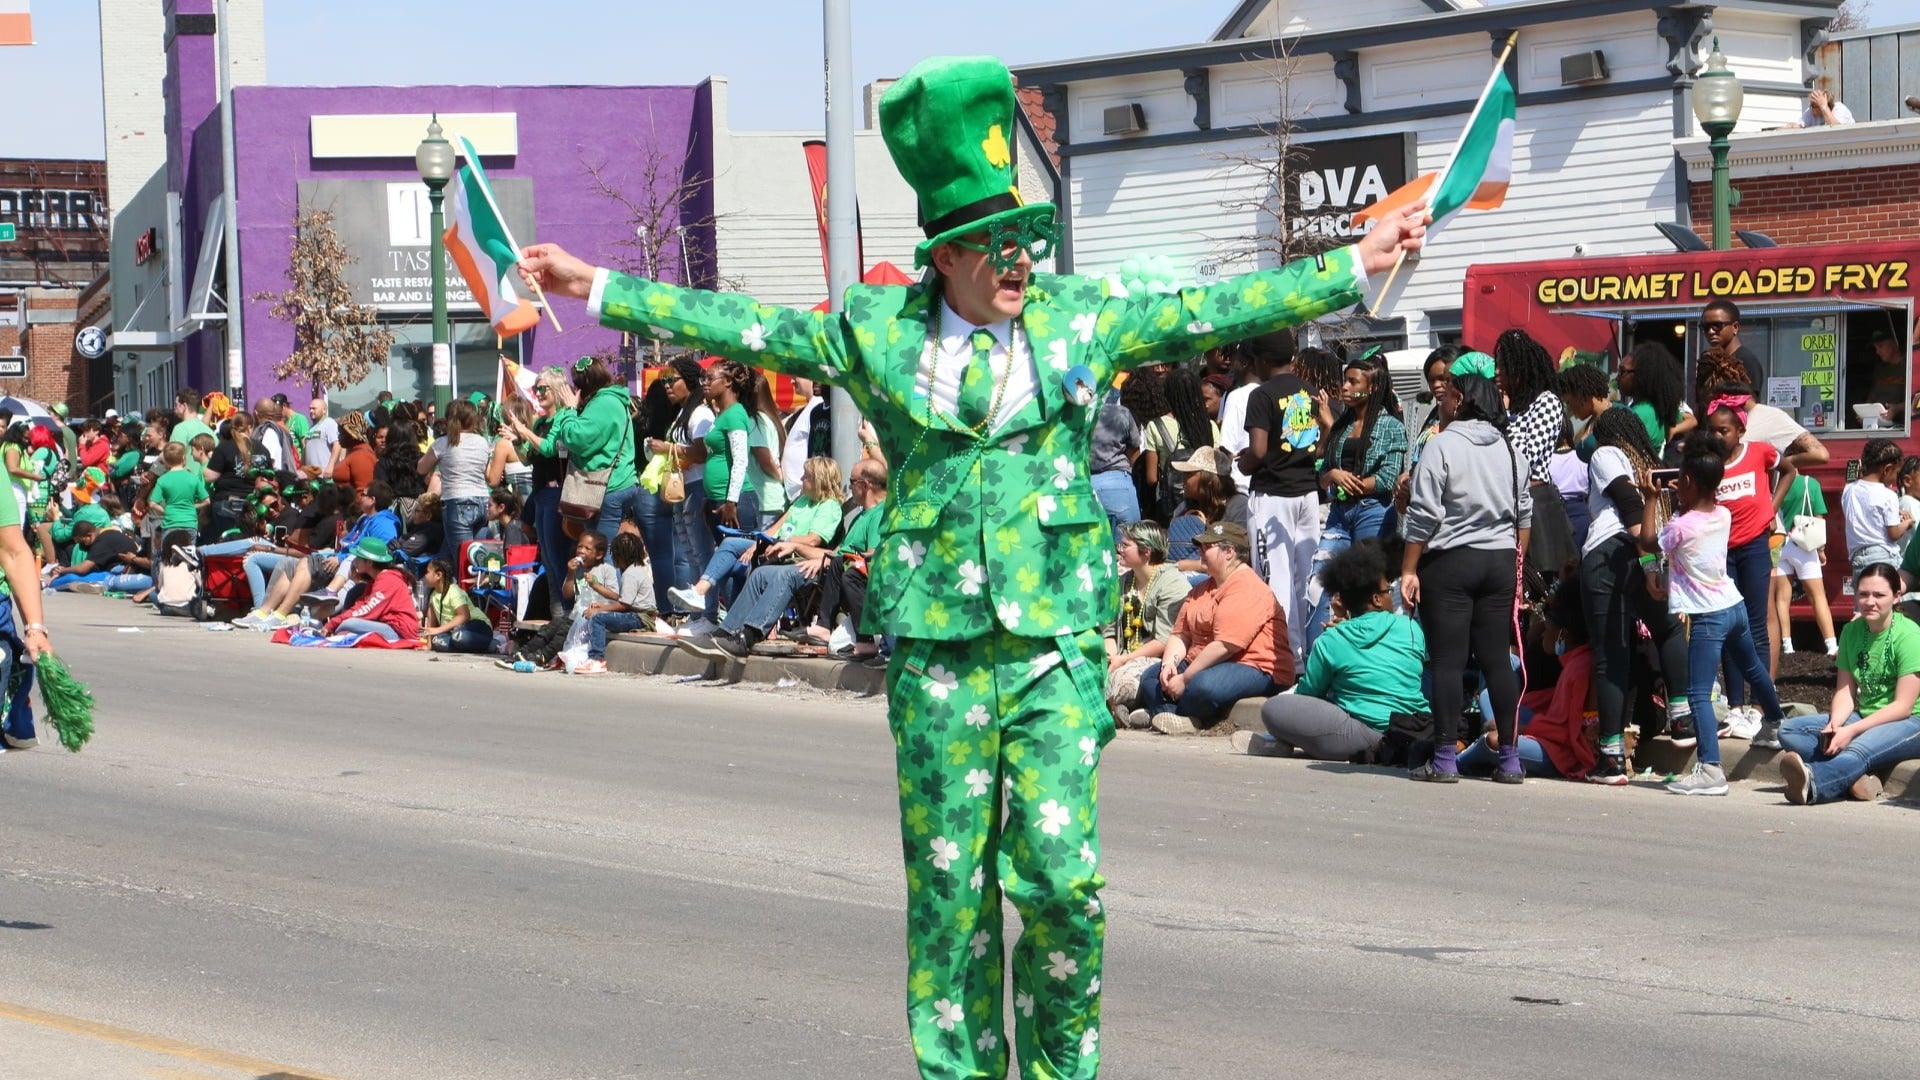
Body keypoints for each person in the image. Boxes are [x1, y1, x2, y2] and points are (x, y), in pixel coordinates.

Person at [514, 54, 1426, 1078]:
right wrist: (595, 284)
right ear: (944, 256)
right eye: (993, 244)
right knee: (950, 893)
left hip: (1052, 643)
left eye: (1024, 238)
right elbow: (751, 324)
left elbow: (1208, 309)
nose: (1017, 258)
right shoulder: (877, 330)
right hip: (939, 646)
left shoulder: (1079, 318)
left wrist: (1353, 263)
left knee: (1061, 885)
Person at [1399, 372, 1531, 783]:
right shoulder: (1511, 450)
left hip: (1450, 562)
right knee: (1496, 660)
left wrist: (1408, 568)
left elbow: (1424, 514)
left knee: (1448, 663)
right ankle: (1509, 761)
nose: (1439, 403)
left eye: (1444, 397)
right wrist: (1518, 565)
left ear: (1460, 399)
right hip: (1499, 562)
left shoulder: (1443, 446)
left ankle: (1444, 760)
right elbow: (1524, 512)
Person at [1636, 443, 1787, 795]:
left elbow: (1646, 540)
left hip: (1708, 617)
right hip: (1733, 606)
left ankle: (1710, 770)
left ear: (1686, 480)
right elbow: (1691, 521)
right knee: (1753, 669)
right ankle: (1775, 723)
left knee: (1697, 694)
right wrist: (1683, 494)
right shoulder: (1722, 514)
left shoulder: (1680, 527)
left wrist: (1650, 498)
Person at [1576, 408, 1699, 781]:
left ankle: (1611, 758)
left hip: (1611, 555)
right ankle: (1681, 719)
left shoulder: (1606, 454)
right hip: (1646, 552)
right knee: (1669, 629)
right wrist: (1652, 565)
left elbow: (1628, 505)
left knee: (1611, 657)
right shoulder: (1648, 461)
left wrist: (1646, 565)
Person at [1255, 539, 1426, 762]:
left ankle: (1282, 741)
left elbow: (1310, 693)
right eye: (1388, 590)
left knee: (1273, 708)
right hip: (1415, 726)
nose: (1390, 594)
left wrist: (1341, 623)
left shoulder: (1331, 640)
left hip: (1364, 733)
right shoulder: (1410, 627)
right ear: (1376, 599)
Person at [1777, 564, 1920, 805]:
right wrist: (1836, 723)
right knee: (1790, 730)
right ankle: (1855, 778)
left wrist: (1852, 731)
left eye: (1879, 595)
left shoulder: (1910, 636)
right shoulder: (1852, 631)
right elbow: (1845, 691)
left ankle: (1814, 784)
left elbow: (1903, 707)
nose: (1870, 601)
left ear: (1896, 597)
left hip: (1910, 721)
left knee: (1858, 748)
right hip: (1865, 714)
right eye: (1863, 594)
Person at [1133, 521, 1292, 735]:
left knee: (1201, 686)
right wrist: (1170, 664)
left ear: (1229, 552)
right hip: (1205, 662)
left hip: (1254, 665)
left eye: (1207, 547)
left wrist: (1184, 678)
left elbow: (1225, 646)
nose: (1200, 551)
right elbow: (1180, 634)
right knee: (1152, 677)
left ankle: (1167, 714)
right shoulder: (1201, 588)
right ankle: (1175, 717)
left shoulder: (1247, 587)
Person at [1304, 351, 1406, 648]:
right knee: (1319, 582)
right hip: (1339, 513)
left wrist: (1353, 482)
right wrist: (1333, 474)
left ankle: (1367, 654)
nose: (1345, 387)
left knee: (1366, 587)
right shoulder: (1341, 425)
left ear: (1372, 387)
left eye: (1352, 382)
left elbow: (1389, 478)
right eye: (1344, 381)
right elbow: (1320, 471)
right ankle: (1317, 659)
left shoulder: (1391, 426)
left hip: (1374, 512)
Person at [667, 455, 846, 619]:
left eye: (806, 477)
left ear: (819, 481)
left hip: (793, 554)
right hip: (775, 545)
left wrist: (779, 542)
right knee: (732, 554)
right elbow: (775, 528)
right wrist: (759, 543)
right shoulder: (802, 501)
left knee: (735, 556)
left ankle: (714, 605)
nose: (801, 480)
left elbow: (813, 540)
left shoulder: (829, 506)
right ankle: (709, 599)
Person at [1237, 329, 1323, 658]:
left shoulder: (1261, 395)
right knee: (1304, 577)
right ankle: (1304, 655)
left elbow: (1257, 451)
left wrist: (1243, 464)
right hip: (1306, 493)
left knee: (1274, 580)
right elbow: (1311, 446)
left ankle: (1282, 658)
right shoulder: (1309, 391)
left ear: (1261, 360)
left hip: (1273, 496)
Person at [518, 358, 637, 548]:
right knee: (599, 551)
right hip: (608, 484)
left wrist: (570, 410)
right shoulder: (610, 401)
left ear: (585, 383)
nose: (575, 389)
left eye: (577, 384)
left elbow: (575, 439)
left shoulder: (603, 403)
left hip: (606, 486)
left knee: (598, 553)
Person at [1104, 520, 1189, 726]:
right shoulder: (1124, 581)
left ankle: (1125, 710)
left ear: (1147, 551)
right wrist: (1111, 657)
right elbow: (1108, 631)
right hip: (1123, 658)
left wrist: (1124, 660)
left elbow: (1164, 639)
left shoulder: (1172, 583)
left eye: (1125, 545)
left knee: (1121, 682)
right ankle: (1126, 710)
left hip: (1156, 660)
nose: (1120, 549)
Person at [645, 357, 715, 604]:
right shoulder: (683, 413)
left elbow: (701, 452)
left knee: (701, 552)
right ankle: (698, 613)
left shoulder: (700, 413)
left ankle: (708, 612)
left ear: (690, 381)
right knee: (690, 552)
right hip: (683, 490)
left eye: (671, 380)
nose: (666, 385)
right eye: (663, 380)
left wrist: (667, 448)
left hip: (697, 489)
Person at [503, 530, 617, 670]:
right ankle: (522, 653)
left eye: (587, 549)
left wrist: (596, 585)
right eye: (580, 546)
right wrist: (570, 574)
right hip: (575, 615)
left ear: (598, 554)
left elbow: (614, 595)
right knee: (549, 628)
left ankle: (542, 656)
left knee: (563, 632)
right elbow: (567, 594)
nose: (581, 551)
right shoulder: (578, 570)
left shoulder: (607, 570)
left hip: (592, 617)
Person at [1772, 468, 1839, 671]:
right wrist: (1821, 550)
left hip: (1780, 542)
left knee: (1782, 598)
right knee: (1817, 597)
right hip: (1804, 545)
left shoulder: (1775, 483)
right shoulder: (1811, 483)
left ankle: (1787, 645)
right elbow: (1819, 519)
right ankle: (1831, 645)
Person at [575, 531, 657, 675]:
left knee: (597, 619)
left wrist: (599, 611)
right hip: (637, 614)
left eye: (613, 554)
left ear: (620, 557)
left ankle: (596, 660)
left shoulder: (629, 575)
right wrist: (598, 590)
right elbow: (622, 598)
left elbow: (624, 605)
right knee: (601, 616)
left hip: (640, 618)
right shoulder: (636, 570)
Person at [1140, 368, 1215, 524]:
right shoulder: (1209, 425)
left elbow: (1152, 478)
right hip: (1205, 503)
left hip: (1170, 508)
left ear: (1168, 393)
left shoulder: (1155, 426)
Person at [421, 400, 494, 557]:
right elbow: (487, 473)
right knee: (479, 557)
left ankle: (461, 581)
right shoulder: (482, 442)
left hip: (457, 502)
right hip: (483, 501)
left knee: (464, 560)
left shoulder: (442, 443)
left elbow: (421, 468)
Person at [317, 538, 419, 643]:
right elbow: (360, 605)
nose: (355, 561)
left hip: (400, 632)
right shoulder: (376, 580)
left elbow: (367, 610)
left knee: (348, 624)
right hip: (388, 626)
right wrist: (335, 623)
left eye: (358, 558)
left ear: (369, 562)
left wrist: (333, 623)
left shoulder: (388, 579)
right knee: (345, 625)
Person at [1165, 448, 1247, 571]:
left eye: (1189, 474)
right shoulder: (1184, 508)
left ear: (1208, 480)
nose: (1183, 480)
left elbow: (1239, 557)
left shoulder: (1238, 506)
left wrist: (1184, 565)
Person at [1843, 437, 1910, 569]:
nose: (1897, 478)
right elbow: (1894, 534)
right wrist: (1907, 523)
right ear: (1887, 469)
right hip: (1884, 558)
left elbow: (1868, 506)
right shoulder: (1889, 495)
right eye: (1897, 473)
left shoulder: (1849, 490)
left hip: (1858, 559)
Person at [1619, 341, 1693, 457]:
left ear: (1642, 375)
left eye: (1622, 372)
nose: (1618, 377)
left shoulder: (1641, 413)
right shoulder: (1660, 407)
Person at [47, 519, 152, 595]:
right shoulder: (108, 533)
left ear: (89, 535)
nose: (82, 545)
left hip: (123, 570)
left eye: (82, 541)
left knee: (71, 578)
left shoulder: (101, 542)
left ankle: (98, 585)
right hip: (123, 568)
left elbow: (83, 569)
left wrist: (63, 570)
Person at [1089, 391, 1142, 529]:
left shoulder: (1079, 415)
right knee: (1129, 542)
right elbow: (1135, 449)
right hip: (1120, 484)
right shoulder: (1122, 413)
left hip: (1087, 484)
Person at [420, 557, 491, 654]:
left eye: (427, 572)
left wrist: (439, 629)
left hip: (477, 627)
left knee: (459, 637)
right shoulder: (433, 595)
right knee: (437, 642)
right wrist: (429, 645)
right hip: (455, 631)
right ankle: (469, 647)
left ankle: (490, 644)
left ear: (438, 575)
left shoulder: (454, 591)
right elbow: (431, 623)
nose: (425, 576)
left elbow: (464, 616)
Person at [1698, 300, 1766, 397]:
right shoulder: (1707, 363)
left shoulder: (1746, 360)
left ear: (1735, 327)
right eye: (1705, 326)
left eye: (1717, 325)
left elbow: (1750, 405)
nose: (1710, 331)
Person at [148, 441, 210, 542]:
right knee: (188, 554)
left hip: (170, 522)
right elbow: (207, 501)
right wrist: (193, 506)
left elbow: (153, 503)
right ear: (183, 458)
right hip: (190, 523)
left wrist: (165, 511)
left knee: (169, 554)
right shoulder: (193, 478)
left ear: (166, 461)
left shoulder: (163, 479)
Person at [333, 411, 377, 494]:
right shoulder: (355, 452)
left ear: (352, 435)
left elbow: (363, 492)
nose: (338, 436)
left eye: (341, 432)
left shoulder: (362, 456)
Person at [304, 396, 339, 473]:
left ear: (324, 410)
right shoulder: (311, 428)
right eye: (310, 408)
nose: (311, 411)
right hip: (311, 474)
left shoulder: (329, 423)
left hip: (324, 472)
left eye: (314, 408)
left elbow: (336, 444)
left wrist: (331, 465)